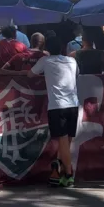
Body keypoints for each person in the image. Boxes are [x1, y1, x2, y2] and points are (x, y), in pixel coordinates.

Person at [28, 32, 79, 188]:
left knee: (63, 141)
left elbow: (30, 74)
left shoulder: (45, 61)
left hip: (57, 105)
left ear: (47, 48)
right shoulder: (72, 60)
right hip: (73, 103)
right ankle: (59, 170)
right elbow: (77, 75)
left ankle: (69, 173)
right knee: (67, 141)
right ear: (63, 48)